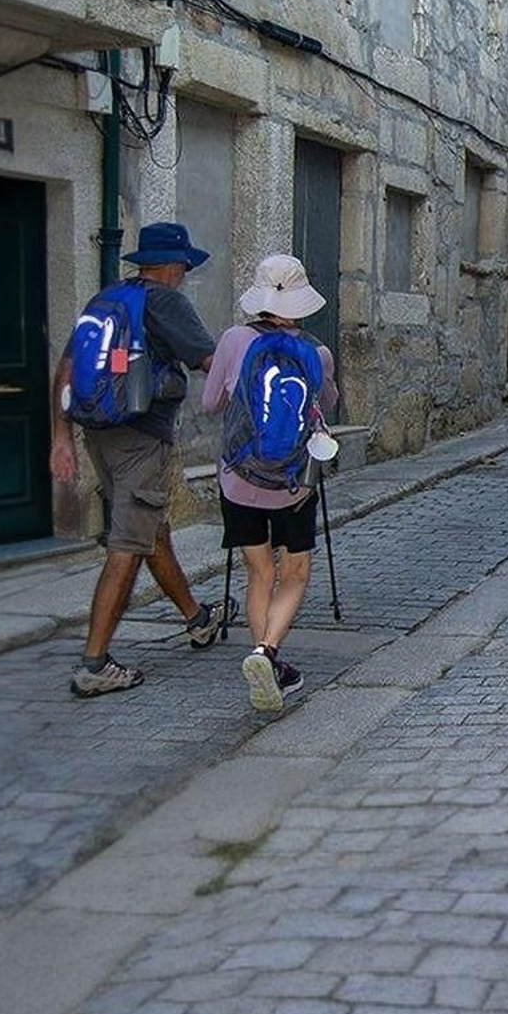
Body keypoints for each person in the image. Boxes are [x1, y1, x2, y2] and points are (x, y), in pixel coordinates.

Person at [50, 222, 226, 697]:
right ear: (174, 265)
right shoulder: (165, 301)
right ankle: (95, 663)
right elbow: (210, 362)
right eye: (185, 266)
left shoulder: (106, 300)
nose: (186, 274)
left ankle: (197, 619)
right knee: (128, 544)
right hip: (142, 440)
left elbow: (66, 371)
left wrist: (60, 437)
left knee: (152, 531)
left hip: (98, 436)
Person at [202, 254, 338, 713]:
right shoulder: (317, 352)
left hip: (239, 478)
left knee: (259, 571)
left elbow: (210, 404)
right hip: (294, 484)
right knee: (294, 572)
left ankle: (262, 657)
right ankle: (268, 653)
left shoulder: (233, 339)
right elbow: (328, 403)